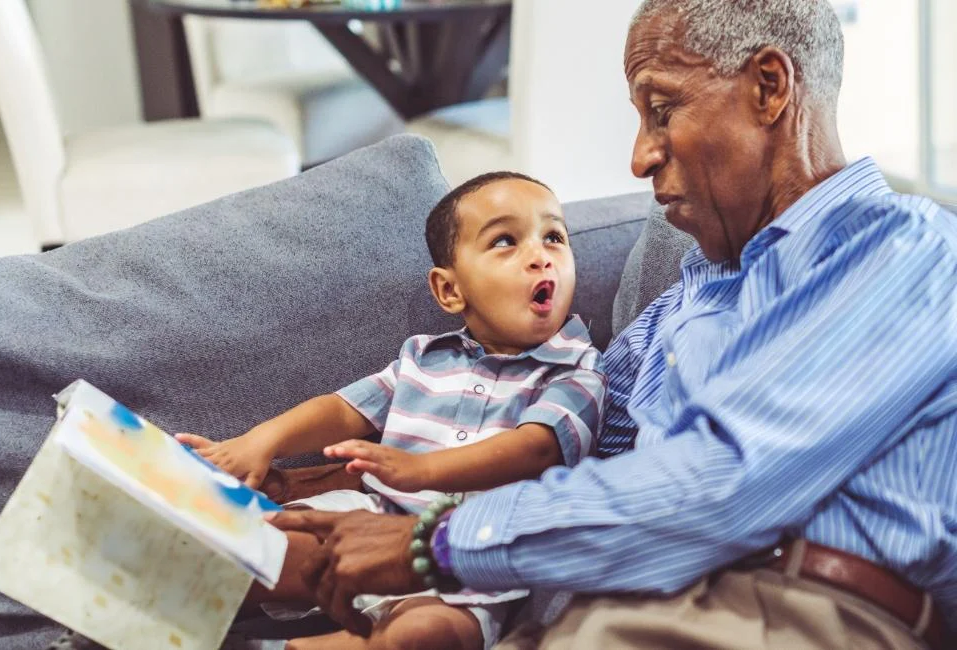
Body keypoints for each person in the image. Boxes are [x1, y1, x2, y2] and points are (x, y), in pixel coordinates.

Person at [265, 1, 957, 648]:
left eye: (662, 110)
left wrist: (433, 543)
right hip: (608, 606)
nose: (640, 157)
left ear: (769, 88)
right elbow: (557, 445)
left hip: (782, 610)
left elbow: (717, 486)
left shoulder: (902, 249)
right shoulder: (684, 305)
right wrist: (350, 496)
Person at [178, 171, 606, 650]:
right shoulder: (423, 357)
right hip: (369, 515)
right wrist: (261, 442)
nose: (539, 255)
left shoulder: (576, 369)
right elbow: (342, 410)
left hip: (469, 566)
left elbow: (534, 448)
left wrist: (421, 469)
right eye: (506, 241)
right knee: (251, 548)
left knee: (425, 635)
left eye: (554, 236)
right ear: (449, 291)